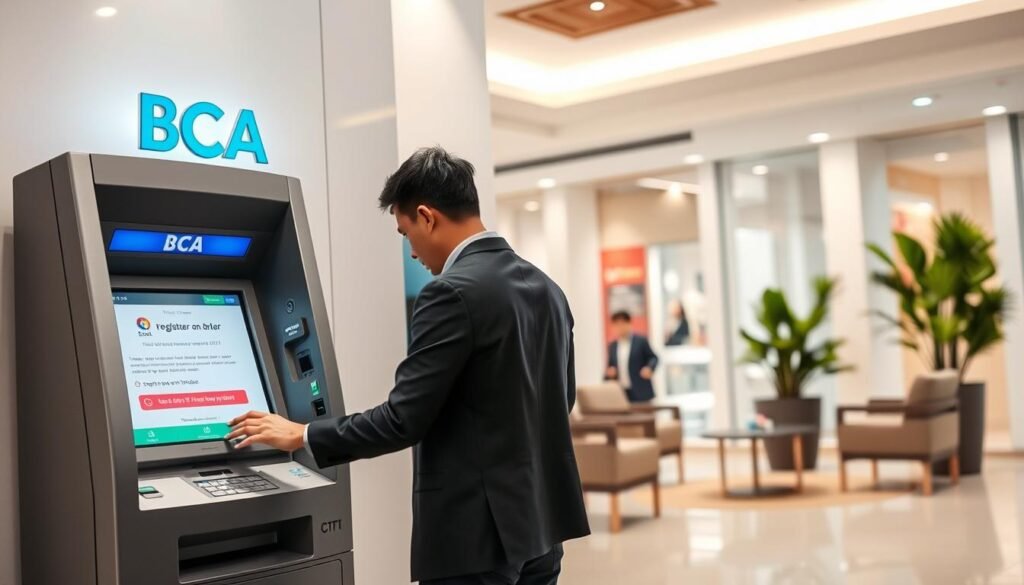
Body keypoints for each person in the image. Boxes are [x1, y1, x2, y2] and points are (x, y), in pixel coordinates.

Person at [227, 146, 590, 584]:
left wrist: (302, 434)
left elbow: (403, 419)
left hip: (477, 541)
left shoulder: (450, 293)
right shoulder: (547, 289)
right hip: (542, 529)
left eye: (405, 232)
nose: (412, 252)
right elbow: (560, 399)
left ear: (426, 216)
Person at [604, 311, 659, 403]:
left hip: (640, 390)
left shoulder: (640, 341)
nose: (619, 327)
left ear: (629, 323)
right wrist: (610, 372)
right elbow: (610, 366)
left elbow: (653, 358)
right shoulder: (613, 346)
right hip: (621, 391)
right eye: (616, 324)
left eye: (622, 324)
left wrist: (649, 368)